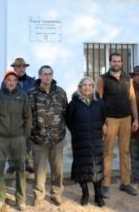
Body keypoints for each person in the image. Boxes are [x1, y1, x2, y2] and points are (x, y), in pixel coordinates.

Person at [0, 70, 32, 211]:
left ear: (17, 82)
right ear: (4, 81)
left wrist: (25, 134)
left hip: (18, 138)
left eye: (14, 80)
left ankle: (21, 199)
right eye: (8, 80)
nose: (11, 82)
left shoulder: (23, 95)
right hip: (0, 138)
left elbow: (28, 116)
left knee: (20, 170)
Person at [96, 53, 139, 198]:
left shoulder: (128, 78)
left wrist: (136, 119)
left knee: (125, 151)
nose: (116, 63)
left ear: (122, 62)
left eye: (119, 61)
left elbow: (132, 99)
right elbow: (98, 101)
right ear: (110, 62)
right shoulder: (102, 79)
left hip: (126, 119)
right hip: (110, 119)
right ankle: (106, 185)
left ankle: (125, 183)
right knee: (108, 152)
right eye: (114, 61)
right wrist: (102, 122)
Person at [29, 65, 68, 206]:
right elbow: (27, 115)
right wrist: (32, 131)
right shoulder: (31, 93)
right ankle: (39, 195)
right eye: (44, 74)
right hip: (38, 138)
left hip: (57, 138)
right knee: (39, 170)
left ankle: (56, 194)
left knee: (58, 169)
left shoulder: (61, 92)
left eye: (49, 74)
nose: (47, 76)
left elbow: (65, 112)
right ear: (39, 76)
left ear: (52, 75)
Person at [66, 77, 106, 207]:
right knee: (82, 167)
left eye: (90, 85)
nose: (87, 87)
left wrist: (103, 126)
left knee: (97, 167)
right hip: (80, 141)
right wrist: (78, 132)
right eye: (84, 85)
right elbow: (69, 121)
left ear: (93, 87)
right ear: (79, 87)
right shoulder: (73, 104)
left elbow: (103, 117)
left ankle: (98, 195)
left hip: (96, 140)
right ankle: (85, 194)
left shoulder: (99, 103)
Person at [6, 58, 36, 174]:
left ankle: (29, 164)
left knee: (29, 142)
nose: (21, 69)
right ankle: (12, 164)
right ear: (14, 68)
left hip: (28, 116)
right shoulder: (8, 81)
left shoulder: (32, 82)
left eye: (23, 67)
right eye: (19, 67)